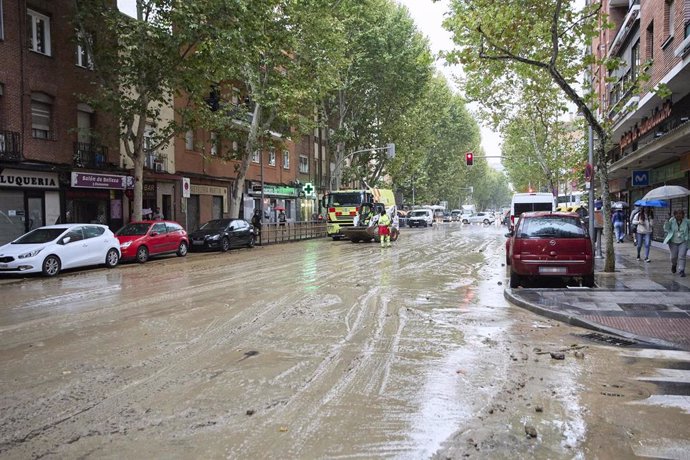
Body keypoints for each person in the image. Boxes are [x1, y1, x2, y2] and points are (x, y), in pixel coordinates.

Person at [663, 210, 690, 277]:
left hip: (683, 241)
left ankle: (681, 270)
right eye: (677, 214)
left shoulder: (687, 221)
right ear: (674, 215)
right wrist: (667, 221)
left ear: (683, 215)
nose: (679, 215)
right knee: (673, 257)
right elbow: (666, 229)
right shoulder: (671, 221)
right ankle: (674, 265)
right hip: (673, 241)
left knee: (682, 256)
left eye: (680, 214)